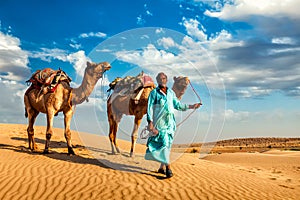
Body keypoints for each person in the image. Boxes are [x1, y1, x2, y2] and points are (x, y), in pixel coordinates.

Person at [145, 72, 201, 178]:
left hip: (170, 124)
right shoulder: (154, 93)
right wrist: (150, 122)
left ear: (167, 80)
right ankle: (168, 168)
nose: (162, 80)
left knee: (167, 145)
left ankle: (161, 167)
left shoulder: (171, 93)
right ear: (157, 80)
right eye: (160, 78)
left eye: (164, 78)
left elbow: (178, 105)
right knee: (165, 143)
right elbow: (149, 107)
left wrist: (191, 106)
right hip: (159, 123)